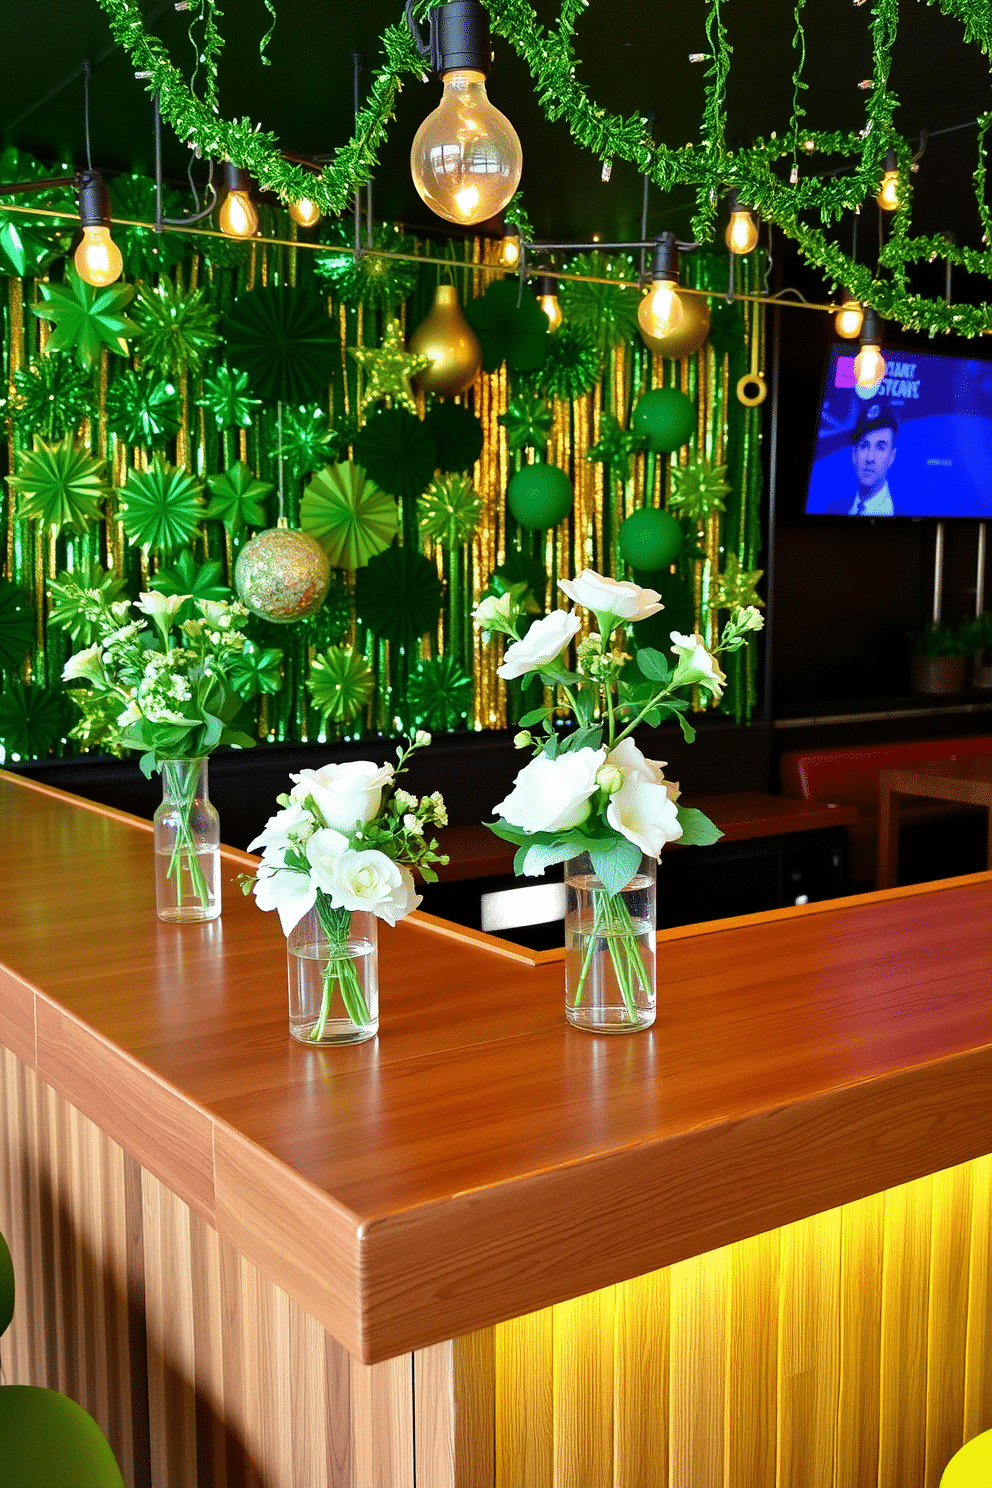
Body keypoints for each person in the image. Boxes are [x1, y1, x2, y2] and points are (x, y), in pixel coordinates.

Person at [847, 405, 898, 515]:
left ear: (892, 457)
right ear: (854, 454)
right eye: (864, 445)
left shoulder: (902, 515)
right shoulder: (834, 509)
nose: (870, 458)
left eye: (880, 447)